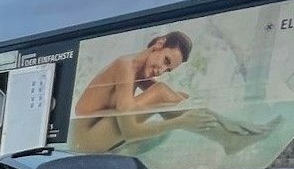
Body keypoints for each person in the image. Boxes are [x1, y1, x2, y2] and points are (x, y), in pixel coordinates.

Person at [69, 31, 208, 153]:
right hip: (84, 140)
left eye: (168, 70)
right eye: (166, 60)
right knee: (162, 91)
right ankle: (224, 135)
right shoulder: (126, 66)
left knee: (174, 96)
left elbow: (176, 98)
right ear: (160, 44)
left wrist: (184, 103)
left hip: (91, 136)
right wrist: (180, 122)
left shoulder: (139, 72)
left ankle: (218, 131)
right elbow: (129, 131)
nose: (161, 71)